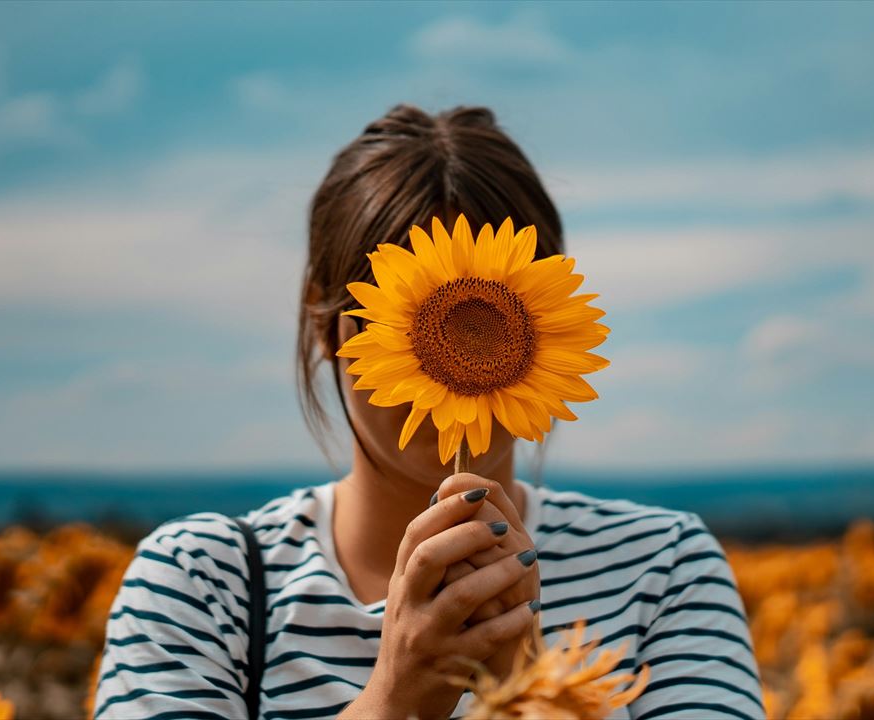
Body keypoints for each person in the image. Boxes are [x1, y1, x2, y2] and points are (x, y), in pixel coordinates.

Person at [92, 104, 764, 720]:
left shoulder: (660, 570)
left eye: (496, 320)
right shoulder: (202, 586)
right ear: (327, 325)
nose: (439, 370)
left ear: (545, 320)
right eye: (400, 325)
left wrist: (529, 686)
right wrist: (396, 696)